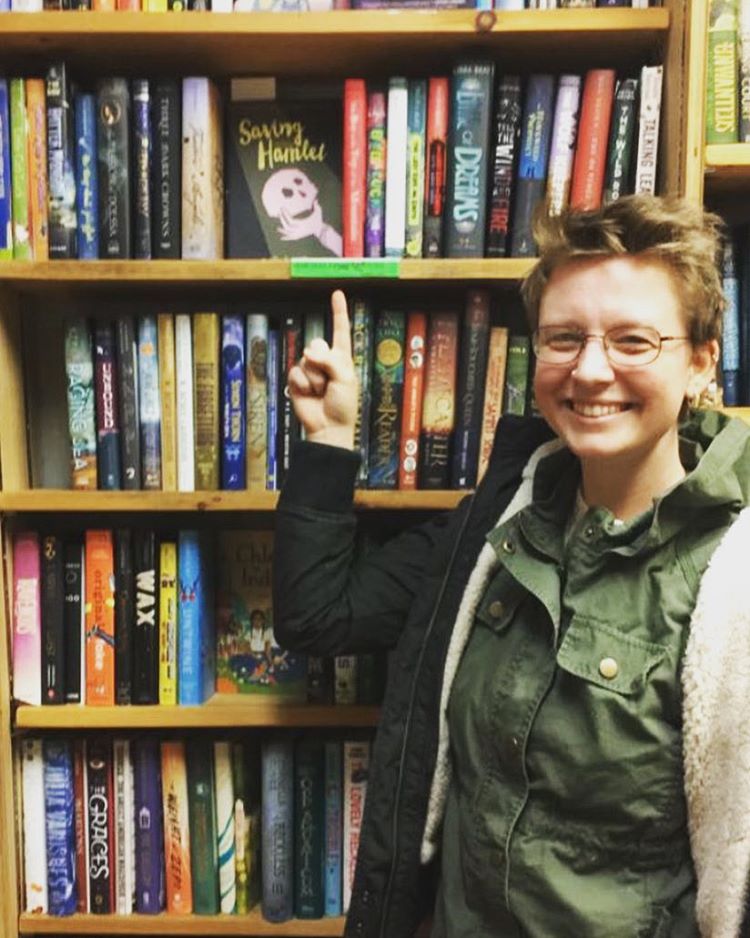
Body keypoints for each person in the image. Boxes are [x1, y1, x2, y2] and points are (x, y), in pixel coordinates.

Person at [272, 194, 750, 938]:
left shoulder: (736, 574)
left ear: (700, 362)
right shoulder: (500, 518)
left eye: (633, 341)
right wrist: (331, 440)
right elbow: (320, 613)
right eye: (564, 338)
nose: (590, 371)